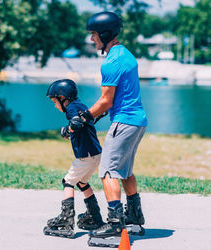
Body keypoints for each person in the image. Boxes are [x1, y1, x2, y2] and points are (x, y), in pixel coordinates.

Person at [80, 11, 148, 239]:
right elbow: (120, 96)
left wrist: (83, 117)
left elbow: (106, 100)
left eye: (94, 34)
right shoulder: (126, 54)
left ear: (105, 33)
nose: (92, 39)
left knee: (108, 171)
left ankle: (115, 225)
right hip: (138, 121)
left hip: (125, 121)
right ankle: (135, 219)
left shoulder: (111, 62)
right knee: (125, 171)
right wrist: (98, 114)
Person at [43, 79, 104, 238]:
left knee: (68, 181)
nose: (55, 106)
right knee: (82, 182)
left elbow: (76, 122)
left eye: (55, 101)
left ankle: (65, 221)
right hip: (95, 154)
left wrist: (67, 130)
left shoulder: (71, 108)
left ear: (63, 98)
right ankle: (94, 216)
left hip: (86, 156)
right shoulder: (80, 106)